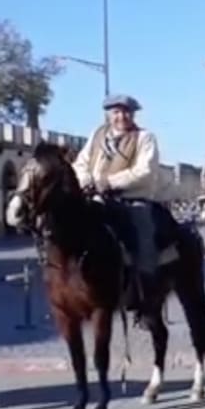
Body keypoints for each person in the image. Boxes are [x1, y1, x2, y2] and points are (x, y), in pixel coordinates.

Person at [73, 93, 162, 302]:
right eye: (116, 112)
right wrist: (86, 179)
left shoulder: (145, 137)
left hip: (131, 200)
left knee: (144, 237)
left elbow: (145, 171)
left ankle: (147, 295)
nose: (121, 117)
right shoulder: (97, 135)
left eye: (125, 112)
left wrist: (110, 182)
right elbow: (80, 163)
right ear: (108, 114)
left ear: (133, 114)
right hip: (96, 197)